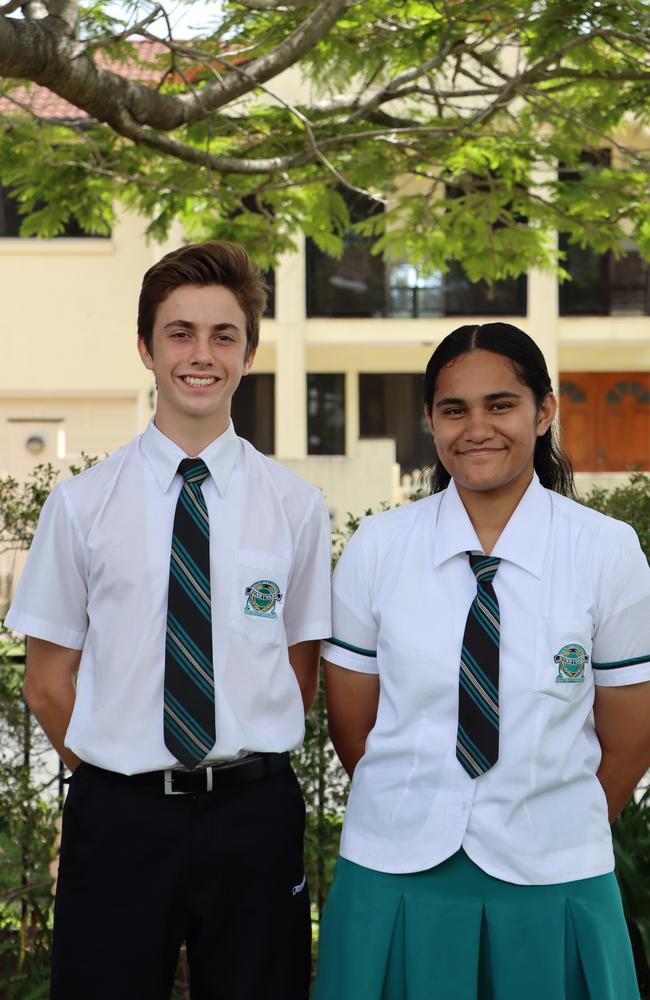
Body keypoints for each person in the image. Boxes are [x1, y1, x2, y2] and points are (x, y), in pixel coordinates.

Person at [6, 241, 331, 1000]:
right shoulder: (83, 505)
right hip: (118, 817)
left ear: (249, 353)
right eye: (180, 333)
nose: (201, 354)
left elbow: (299, 668)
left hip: (253, 816)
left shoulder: (295, 507)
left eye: (224, 335)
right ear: (147, 348)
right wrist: (118, 774)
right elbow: (49, 680)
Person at [314, 322, 650, 1000]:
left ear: (543, 411)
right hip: (395, 873)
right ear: (431, 422)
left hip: (555, 878)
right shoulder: (379, 548)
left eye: (501, 405)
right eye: (453, 409)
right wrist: (424, 810)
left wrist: (551, 820)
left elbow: (632, 734)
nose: (477, 428)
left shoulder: (605, 551)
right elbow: (354, 729)